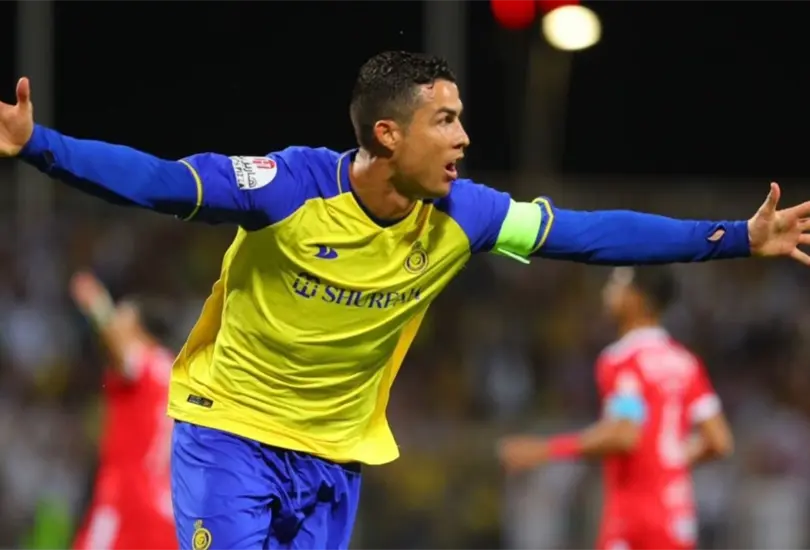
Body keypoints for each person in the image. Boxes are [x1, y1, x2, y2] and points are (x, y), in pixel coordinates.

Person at [0, 50, 805, 549]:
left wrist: (735, 236)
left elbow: (589, 234)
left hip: (335, 456)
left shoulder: (465, 214)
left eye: (462, 121)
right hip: (231, 434)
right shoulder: (287, 187)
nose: (463, 139)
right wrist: (37, 144)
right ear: (388, 135)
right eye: (445, 121)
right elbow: (158, 181)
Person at [498, 266, 734, 550]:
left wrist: (545, 450)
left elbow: (624, 434)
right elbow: (719, 441)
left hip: (633, 517)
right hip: (676, 514)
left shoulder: (621, 360)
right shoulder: (684, 362)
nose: (607, 293)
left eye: (616, 285)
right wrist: (666, 460)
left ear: (638, 299)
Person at [69, 272, 176, 550]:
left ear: (139, 329)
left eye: (122, 317)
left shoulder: (144, 366)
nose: (116, 323)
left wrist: (96, 303)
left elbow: (120, 352)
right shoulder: (175, 373)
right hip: (164, 508)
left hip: (126, 500)